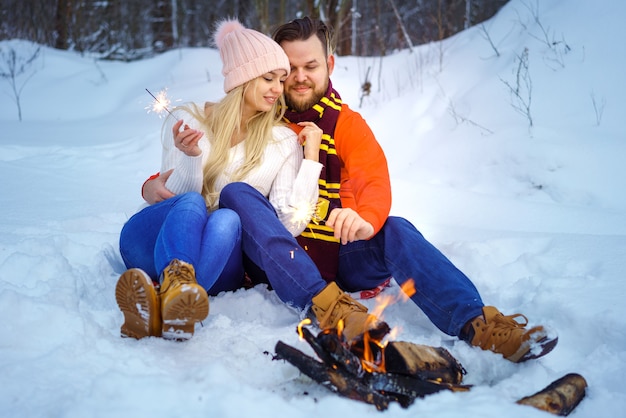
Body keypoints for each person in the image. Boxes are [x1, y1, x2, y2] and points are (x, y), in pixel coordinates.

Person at [144, 18, 558, 363]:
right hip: (272, 254)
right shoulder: (261, 117)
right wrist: (154, 186)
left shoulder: (345, 123)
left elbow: (371, 179)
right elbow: (201, 165)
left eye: (311, 66)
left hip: (339, 251)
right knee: (238, 193)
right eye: (288, 69)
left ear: (330, 64)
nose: (299, 78)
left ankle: (478, 324)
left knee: (395, 230)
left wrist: (363, 216)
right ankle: (330, 310)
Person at [116, 19, 324, 341]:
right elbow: (171, 199)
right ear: (242, 79)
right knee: (192, 201)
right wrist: (192, 158)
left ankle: (168, 301)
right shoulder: (189, 118)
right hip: (157, 240)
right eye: (269, 78)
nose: (278, 89)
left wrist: (311, 161)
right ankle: (174, 288)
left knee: (228, 218)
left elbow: (287, 223)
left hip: (218, 257)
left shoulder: (282, 141)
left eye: (280, 80)